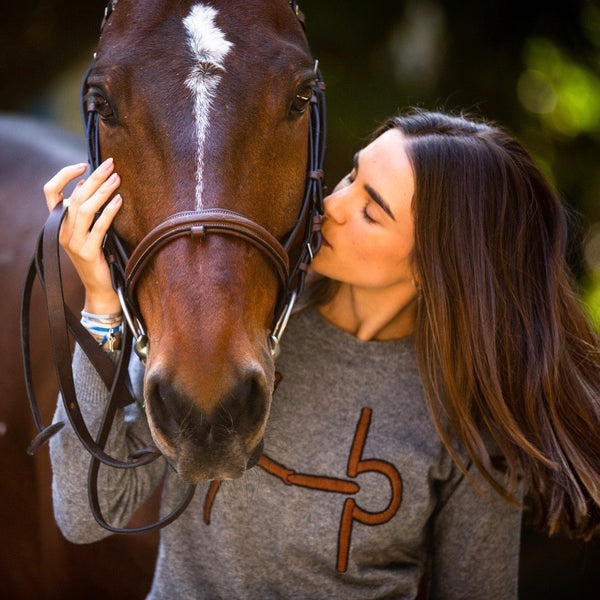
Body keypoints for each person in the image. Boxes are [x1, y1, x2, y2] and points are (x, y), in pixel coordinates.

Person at [44, 109, 600, 599]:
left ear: (435, 266)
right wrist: (101, 303)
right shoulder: (243, 313)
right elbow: (90, 511)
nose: (331, 205)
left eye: (371, 210)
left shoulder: (471, 417)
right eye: (351, 176)